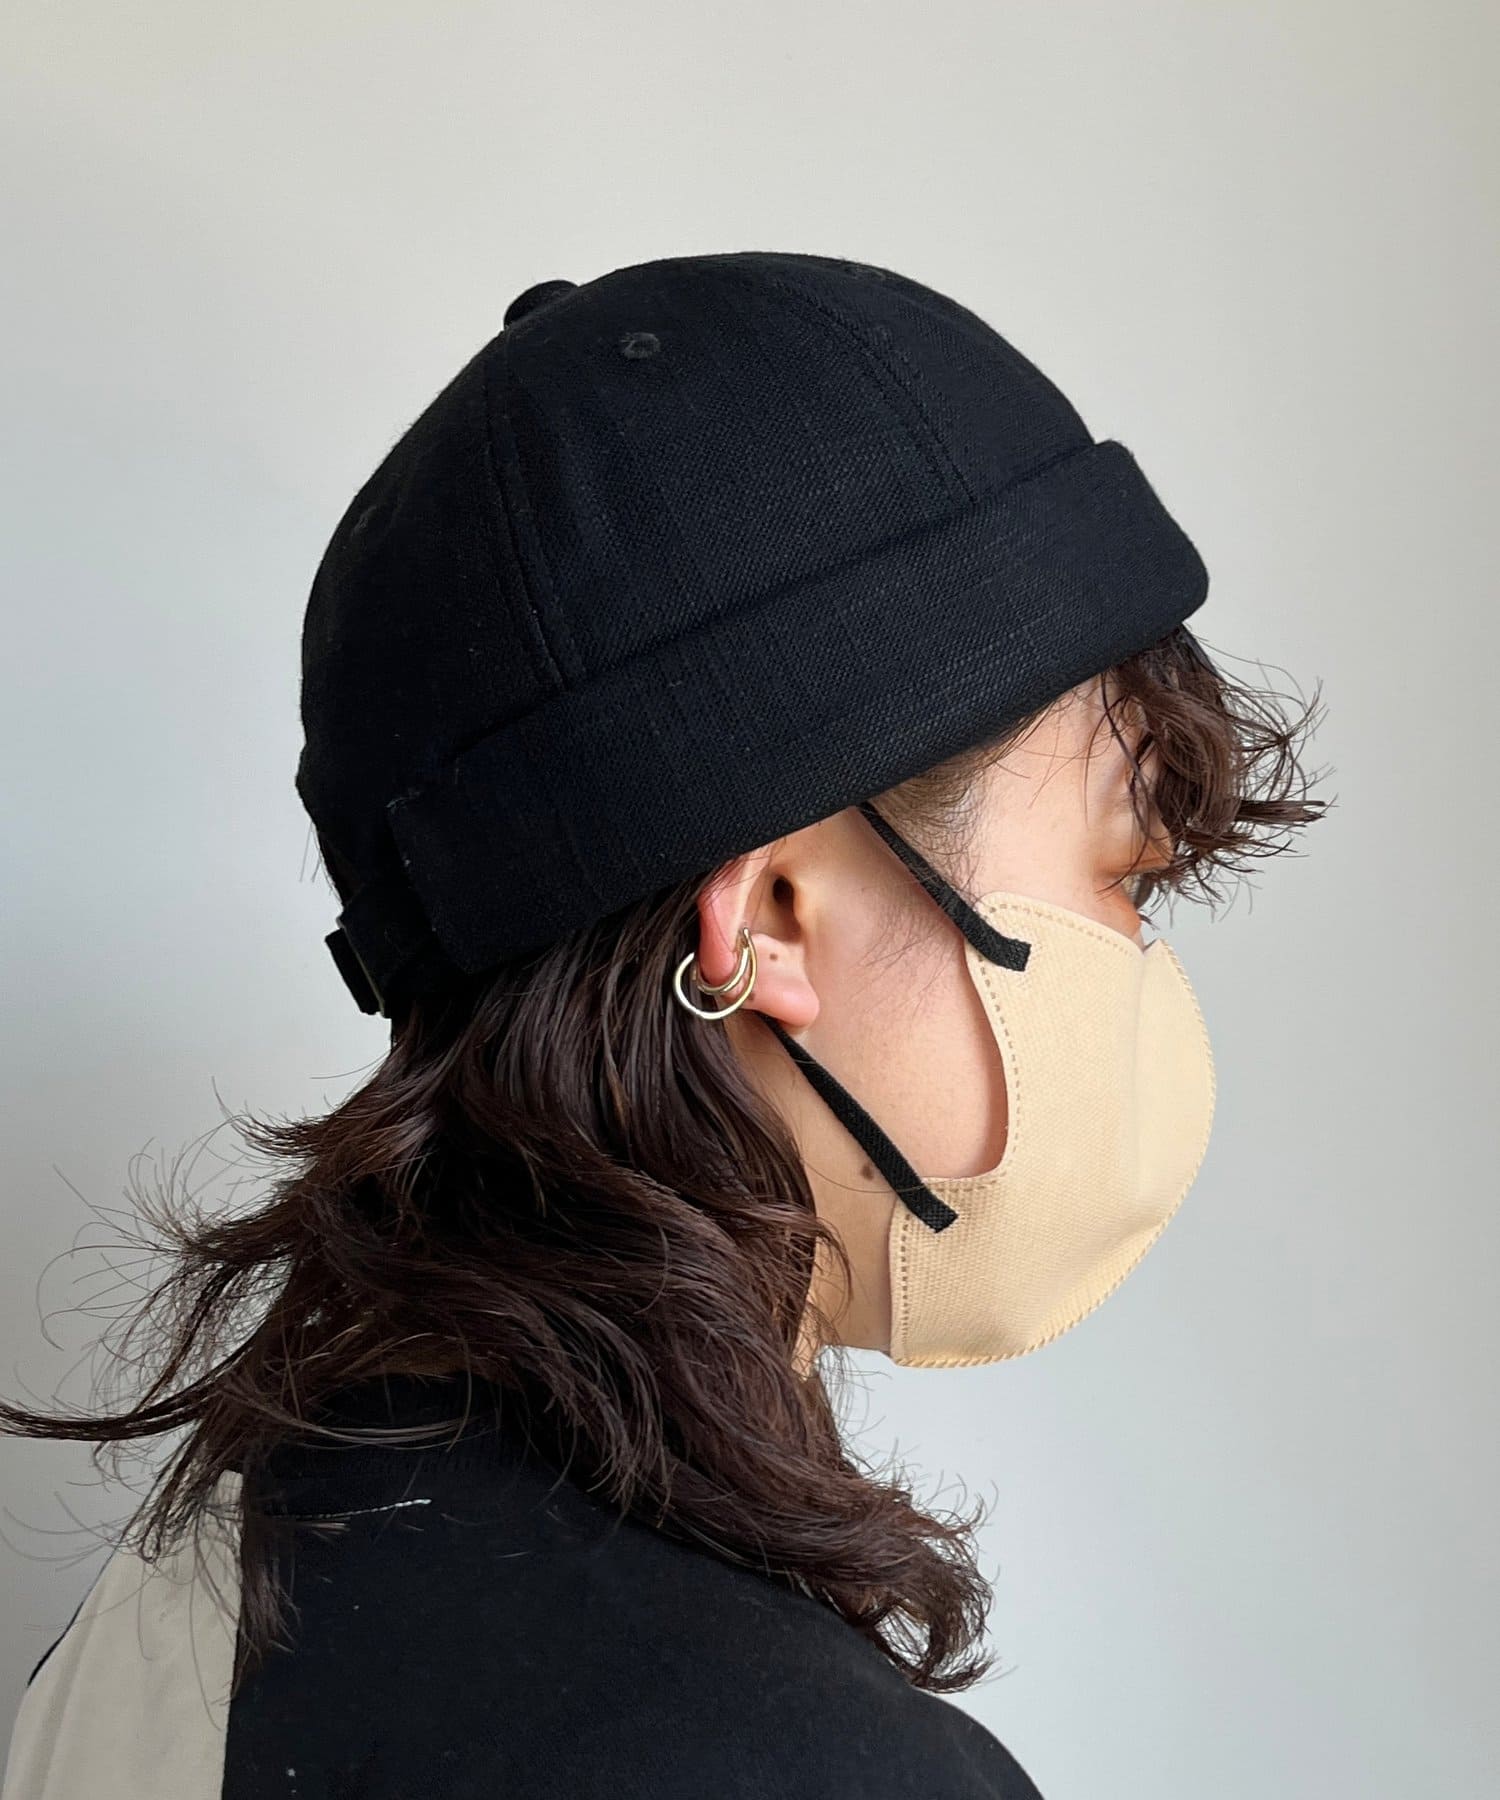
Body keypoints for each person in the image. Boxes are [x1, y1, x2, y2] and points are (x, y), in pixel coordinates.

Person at [0, 250, 1325, 1799]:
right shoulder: (798, 1763)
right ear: (772, 917)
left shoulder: (172, 1613)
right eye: (1120, 876)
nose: (1143, 965)